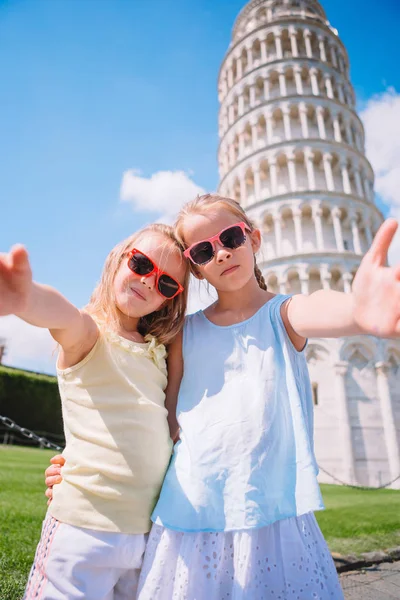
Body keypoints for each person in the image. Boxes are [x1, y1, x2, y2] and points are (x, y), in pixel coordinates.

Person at [46, 194, 400, 599]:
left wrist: (358, 311)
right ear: (195, 269)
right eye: (203, 250)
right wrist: (77, 461)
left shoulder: (283, 315)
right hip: (187, 518)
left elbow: (315, 307)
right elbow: (150, 415)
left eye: (230, 237)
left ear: (254, 239)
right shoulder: (182, 334)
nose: (221, 253)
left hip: (269, 515)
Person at [0, 223, 189, 600]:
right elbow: (63, 317)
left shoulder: (159, 351)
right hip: (82, 528)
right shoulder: (91, 334)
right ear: (118, 261)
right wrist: (26, 300)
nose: (150, 281)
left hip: (143, 534)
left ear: (170, 300)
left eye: (167, 283)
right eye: (141, 264)